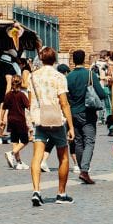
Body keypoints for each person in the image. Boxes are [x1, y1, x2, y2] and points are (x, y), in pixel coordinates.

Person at [28, 47, 75, 206]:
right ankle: (61, 193)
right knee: (63, 156)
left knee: (37, 156)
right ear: (54, 60)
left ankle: (36, 191)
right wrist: (71, 126)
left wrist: (30, 121)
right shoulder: (59, 77)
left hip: (40, 119)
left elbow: (30, 101)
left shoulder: (33, 77)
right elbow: (64, 103)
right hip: (56, 120)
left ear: (41, 59)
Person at [65, 49, 101, 182]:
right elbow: (101, 93)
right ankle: (84, 170)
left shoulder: (68, 77)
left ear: (73, 60)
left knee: (78, 142)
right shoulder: (90, 74)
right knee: (89, 141)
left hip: (73, 113)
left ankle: (82, 169)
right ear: (84, 59)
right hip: (88, 113)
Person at [0, 74, 31, 171]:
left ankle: (18, 162)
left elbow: (3, 107)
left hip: (11, 120)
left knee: (15, 140)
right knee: (25, 140)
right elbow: (28, 106)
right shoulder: (22, 95)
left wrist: (1, 119)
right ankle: (11, 153)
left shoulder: (8, 95)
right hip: (20, 120)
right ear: (20, 84)